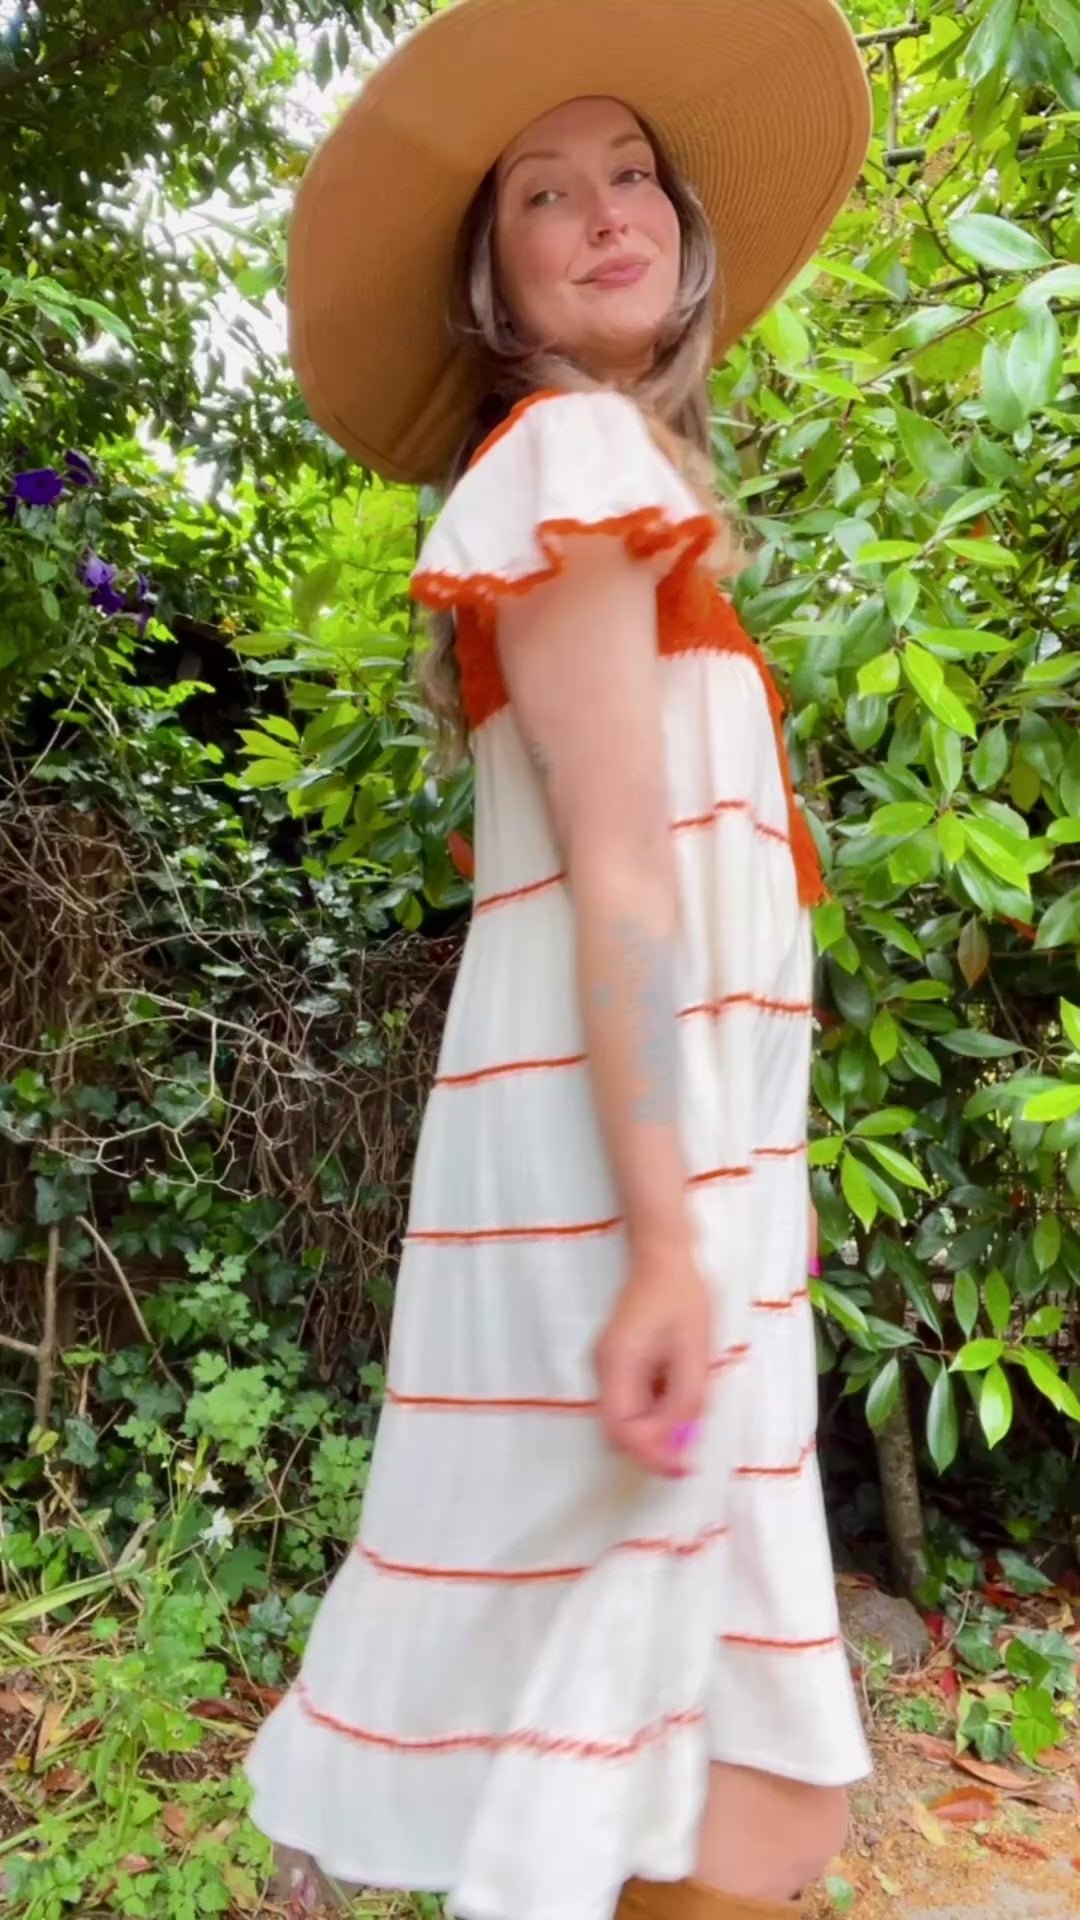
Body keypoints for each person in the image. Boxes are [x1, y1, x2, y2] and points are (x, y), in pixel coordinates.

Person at [247, 4, 874, 1917]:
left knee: (679, 1794)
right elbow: (623, 884)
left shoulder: (606, 490)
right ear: (492, 278)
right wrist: (679, 1241)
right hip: (623, 1207)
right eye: (543, 192)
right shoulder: (574, 453)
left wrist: (738, 1210)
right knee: (735, 1803)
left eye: (632, 175)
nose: (606, 213)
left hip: (658, 1192)